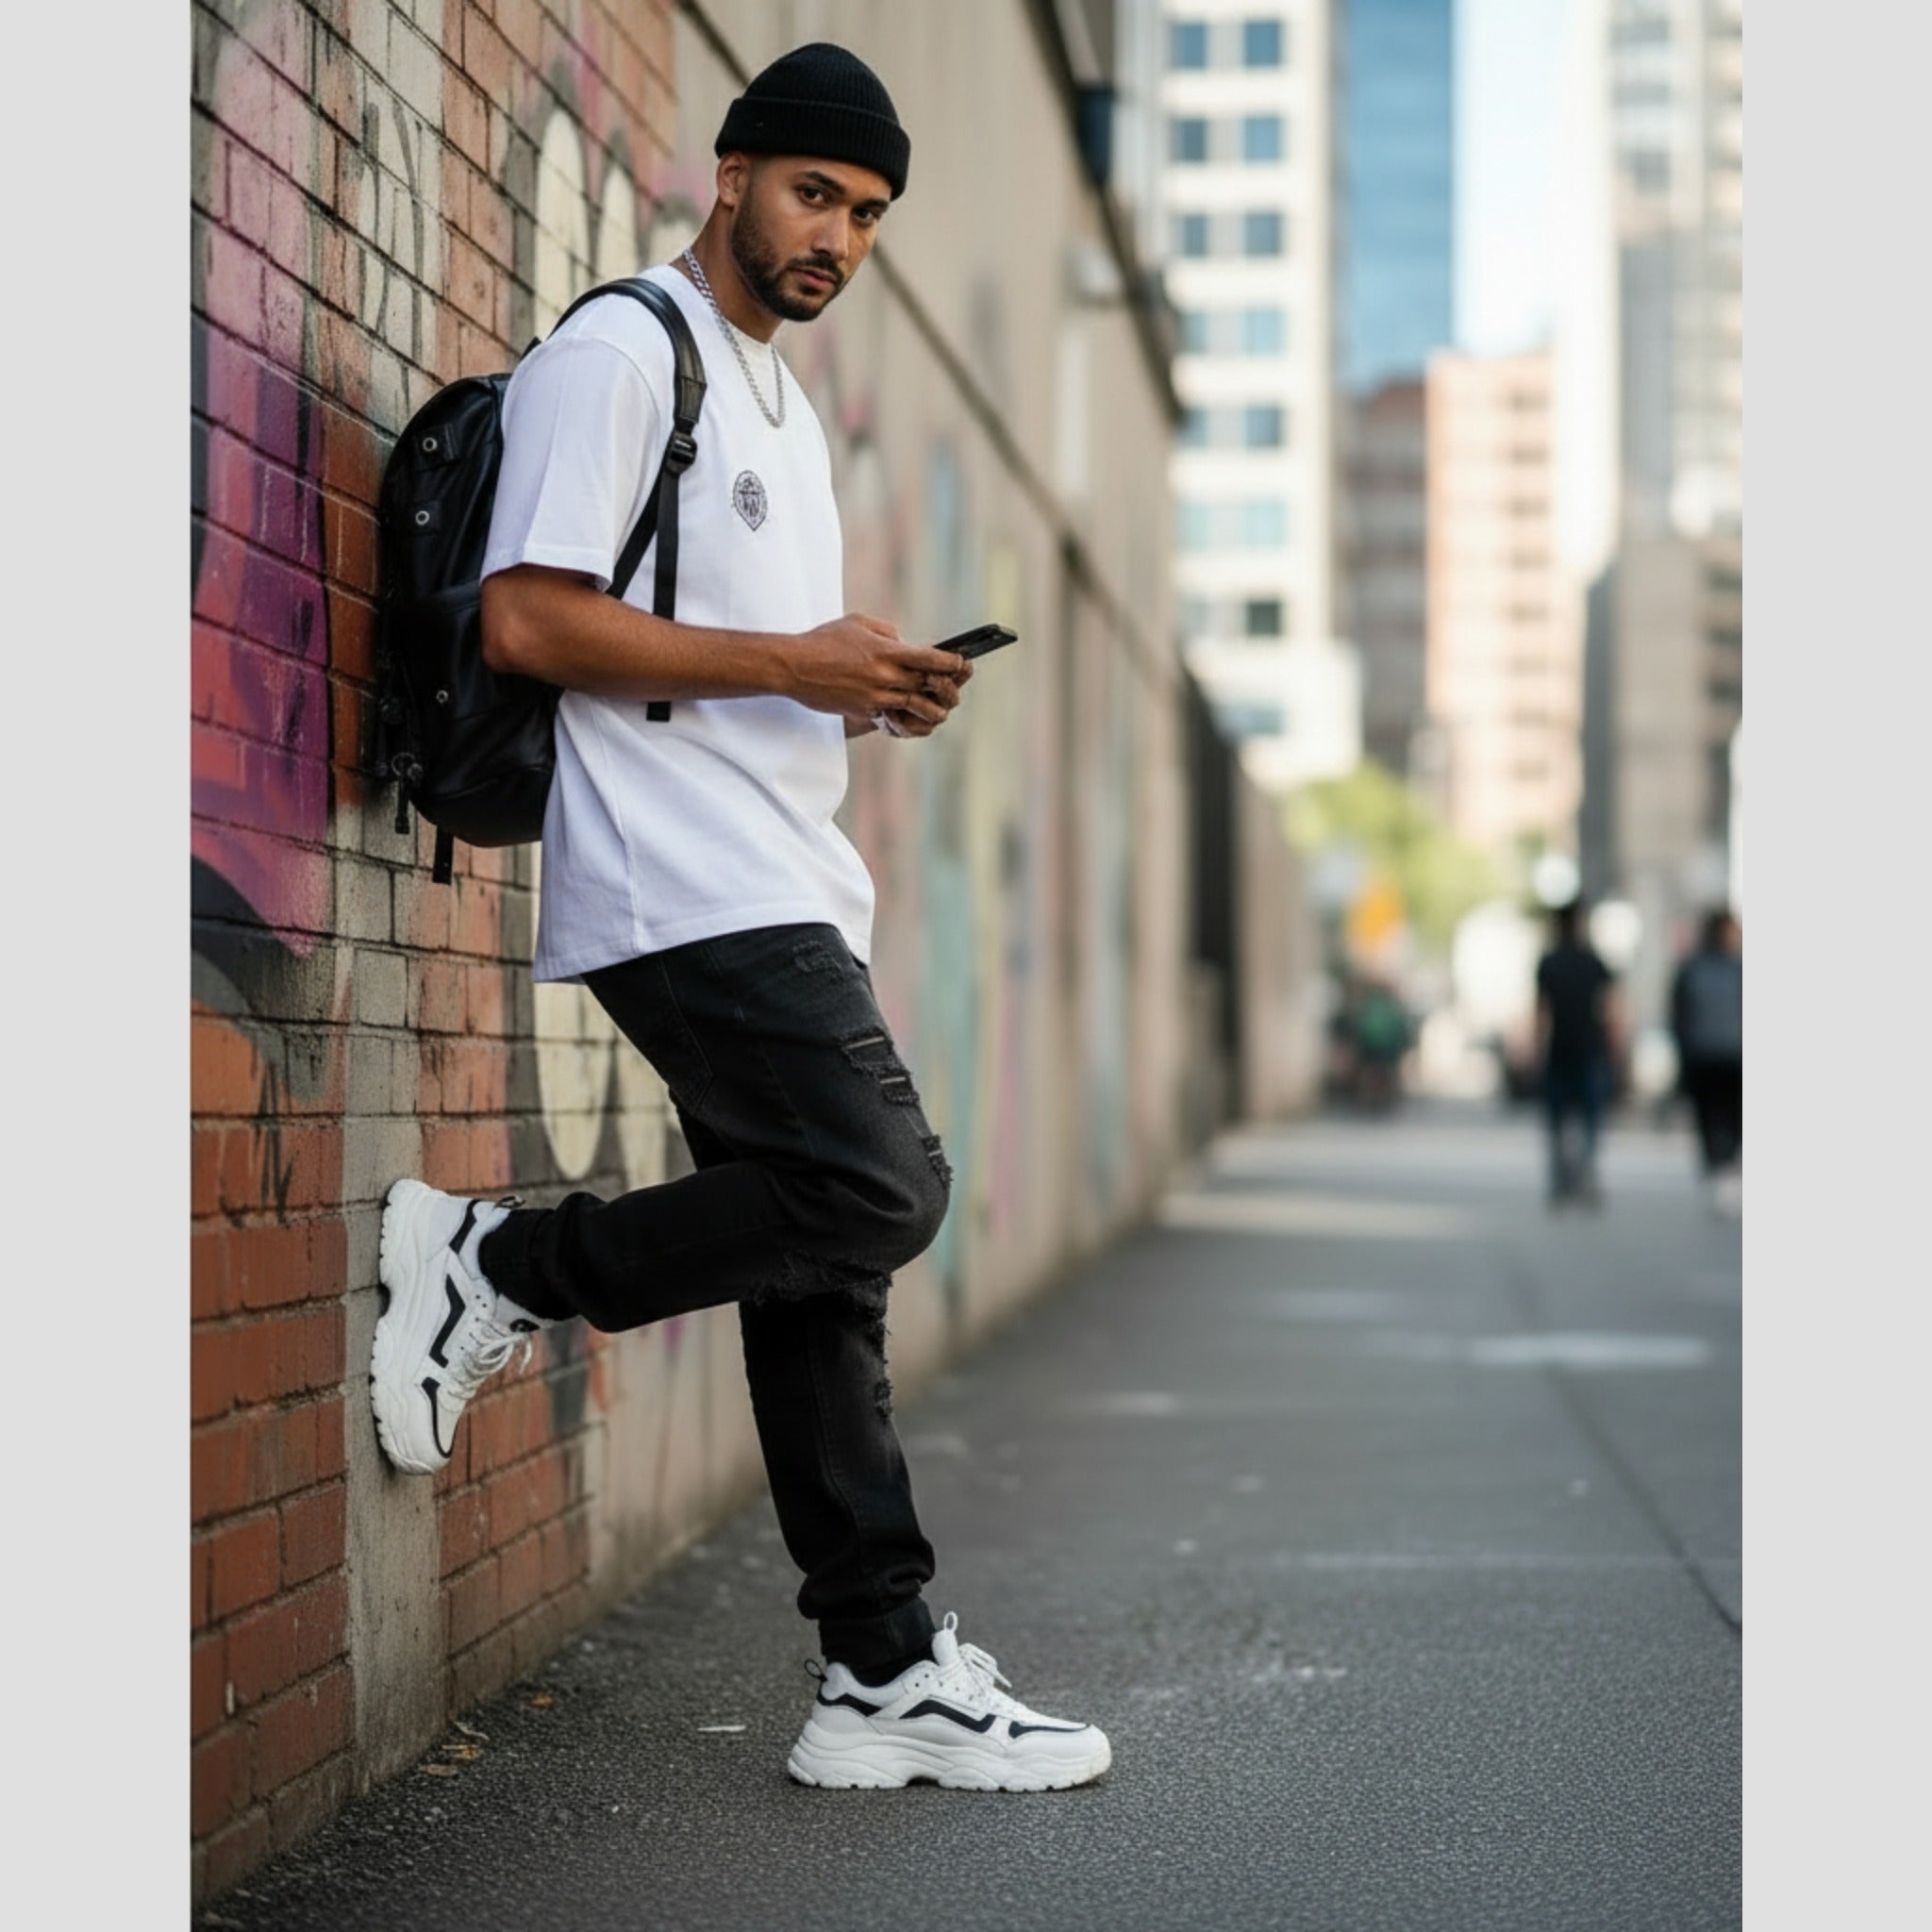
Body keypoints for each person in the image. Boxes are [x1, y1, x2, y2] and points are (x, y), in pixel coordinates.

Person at [368, 43, 1110, 1793]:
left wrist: (861, 690)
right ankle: (493, 1266)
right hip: (679, 881)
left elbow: (726, 662)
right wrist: (795, 661)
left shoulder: (775, 403)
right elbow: (529, 622)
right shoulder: (625, 353)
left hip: (782, 868)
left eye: (866, 215)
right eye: (812, 194)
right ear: (729, 176)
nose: (836, 236)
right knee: (880, 1187)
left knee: (822, 1268)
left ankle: (880, 1672)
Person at [1533, 898, 1621, 1208]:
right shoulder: (1593, 962)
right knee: (1589, 1120)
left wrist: (1535, 1048)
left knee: (1559, 1121)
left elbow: (1541, 1012)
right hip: (1588, 1050)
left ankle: (1563, 1181)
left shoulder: (1550, 963)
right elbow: (1610, 1009)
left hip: (1562, 1049)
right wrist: (1616, 1047)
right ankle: (1583, 1177)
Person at [1671, 908, 1743, 1215]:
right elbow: (1679, 1015)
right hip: (1704, 1056)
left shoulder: (1739, 968)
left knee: (1735, 1117)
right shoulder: (1694, 969)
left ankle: (1727, 1167)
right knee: (1709, 1116)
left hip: (1735, 1056)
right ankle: (1718, 1169)